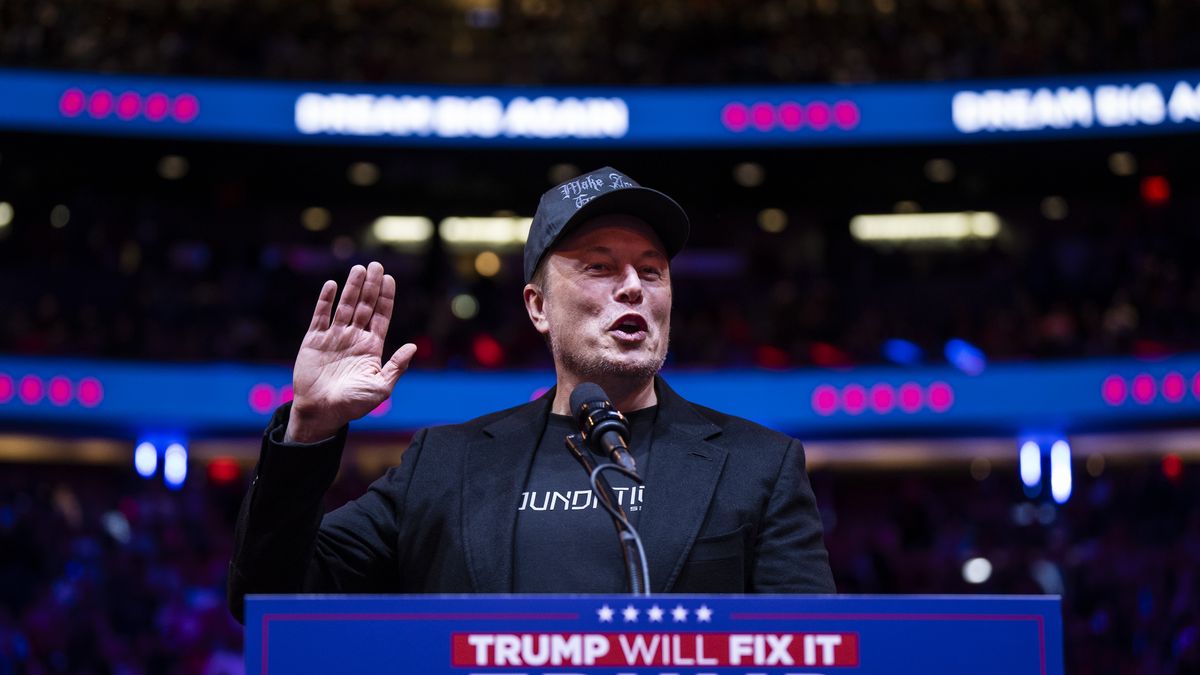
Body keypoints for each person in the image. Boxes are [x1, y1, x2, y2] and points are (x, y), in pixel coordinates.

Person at [228, 167, 835, 622]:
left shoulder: (759, 466)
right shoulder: (443, 465)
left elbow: (812, 653)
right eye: (599, 267)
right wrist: (309, 428)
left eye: (651, 271)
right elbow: (267, 597)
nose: (633, 288)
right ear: (538, 307)